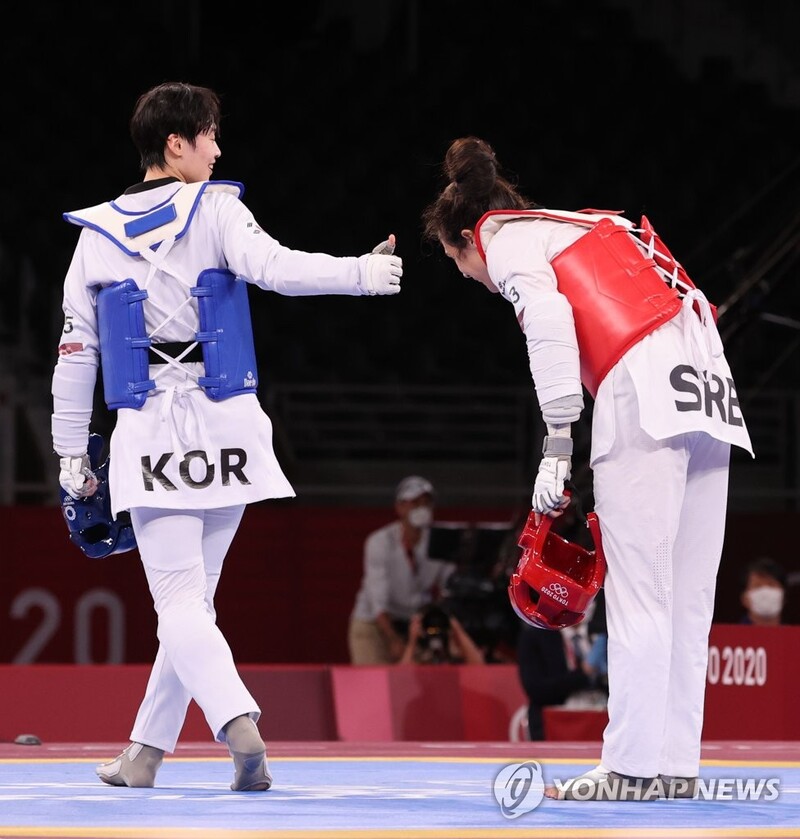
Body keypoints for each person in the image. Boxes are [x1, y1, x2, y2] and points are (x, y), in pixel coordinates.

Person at [51, 81, 403, 792]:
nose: (218, 148)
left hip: (151, 433)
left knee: (181, 604)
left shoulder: (94, 241)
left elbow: (74, 353)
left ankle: (238, 722)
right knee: (193, 606)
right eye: (209, 134)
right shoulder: (217, 211)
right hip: (229, 428)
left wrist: (66, 452)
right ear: (175, 143)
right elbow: (276, 269)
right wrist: (362, 273)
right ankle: (144, 753)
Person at [422, 137, 753, 800]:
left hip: (645, 383)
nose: (467, 275)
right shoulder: (586, 221)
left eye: (456, 261)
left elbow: (546, 317)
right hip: (710, 385)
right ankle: (675, 765)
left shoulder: (507, 237)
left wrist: (557, 441)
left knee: (638, 593)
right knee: (685, 597)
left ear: (467, 235)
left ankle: (630, 767)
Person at [348, 476, 455, 664]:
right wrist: (393, 639)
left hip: (412, 622)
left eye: (426, 502)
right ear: (399, 508)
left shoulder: (440, 541)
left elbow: (449, 586)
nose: (421, 508)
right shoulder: (380, 542)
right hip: (373, 623)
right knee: (373, 684)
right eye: (414, 502)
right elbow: (377, 601)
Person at [516, 592, 608, 741]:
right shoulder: (536, 637)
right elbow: (536, 689)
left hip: (601, 720)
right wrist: (583, 674)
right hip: (555, 722)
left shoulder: (604, 635)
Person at [398, 603, 485, 664]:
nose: (434, 626)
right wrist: (412, 642)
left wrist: (457, 629)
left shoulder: (453, 649)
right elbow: (400, 678)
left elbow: (478, 666)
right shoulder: (415, 653)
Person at [739, 557, 787, 626]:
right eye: (757, 586)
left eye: (771, 585)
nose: (765, 591)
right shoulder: (727, 636)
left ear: (784, 596)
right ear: (744, 598)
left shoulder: (795, 636)